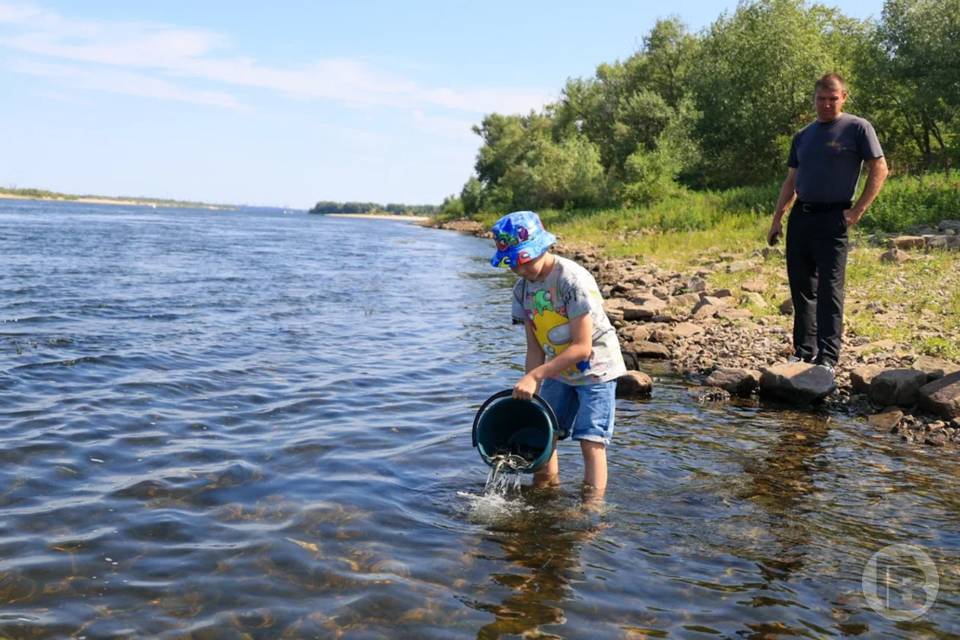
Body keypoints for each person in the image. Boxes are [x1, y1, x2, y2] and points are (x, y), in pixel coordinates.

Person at [490, 210, 626, 498]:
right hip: (559, 371)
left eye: (525, 261)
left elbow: (582, 347)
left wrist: (537, 374)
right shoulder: (522, 290)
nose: (521, 270)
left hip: (596, 369)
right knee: (546, 432)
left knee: (591, 440)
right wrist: (532, 387)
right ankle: (545, 490)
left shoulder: (571, 281)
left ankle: (592, 507)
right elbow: (535, 347)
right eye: (513, 264)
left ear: (543, 247)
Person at [767, 73, 888, 371]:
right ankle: (803, 351)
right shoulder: (803, 136)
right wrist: (777, 219)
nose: (826, 104)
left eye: (833, 98)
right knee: (801, 289)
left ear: (843, 97)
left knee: (830, 291)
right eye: (821, 99)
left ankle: (828, 358)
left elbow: (880, 169)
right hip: (801, 219)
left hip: (834, 218)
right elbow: (791, 180)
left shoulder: (858, 128)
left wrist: (857, 211)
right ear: (814, 99)